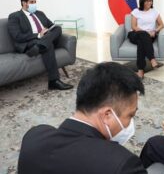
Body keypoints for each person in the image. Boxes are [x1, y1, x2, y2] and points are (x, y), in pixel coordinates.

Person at [18, 62, 147, 174]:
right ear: (107, 115)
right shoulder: (123, 165)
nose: (131, 123)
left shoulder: (33, 137)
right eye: (130, 115)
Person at [7, 0, 73, 90]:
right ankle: (53, 81)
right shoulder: (15, 16)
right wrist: (38, 35)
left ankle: (40, 46)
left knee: (57, 28)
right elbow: (17, 36)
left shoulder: (40, 13)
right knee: (48, 45)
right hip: (31, 41)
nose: (34, 4)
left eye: (35, 2)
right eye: (32, 2)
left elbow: (52, 26)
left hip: (43, 40)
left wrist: (47, 31)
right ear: (24, 3)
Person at [128, 0, 164, 78]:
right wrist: (146, 32)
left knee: (142, 43)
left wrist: (155, 31)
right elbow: (133, 26)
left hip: (150, 36)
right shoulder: (136, 11)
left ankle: (140, 71)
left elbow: (161, 24)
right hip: (136, 34)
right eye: (146, 0)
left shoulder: (154, 12)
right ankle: (152, 59)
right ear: (142, 1)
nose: (149, 2)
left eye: (150, 1)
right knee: (143, 35)